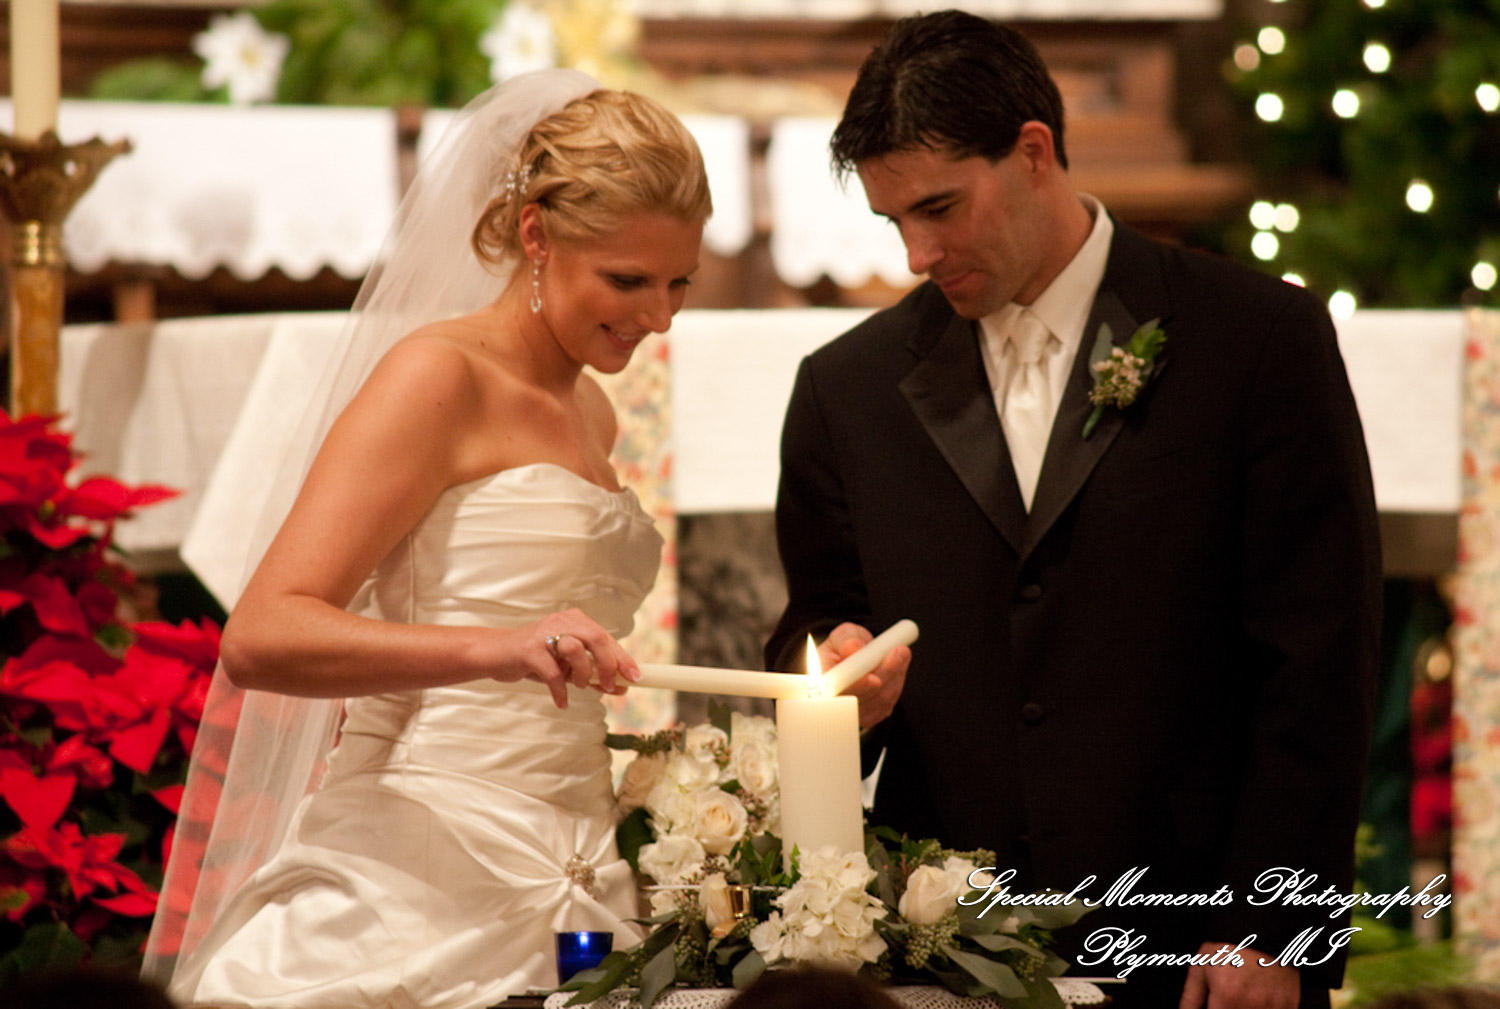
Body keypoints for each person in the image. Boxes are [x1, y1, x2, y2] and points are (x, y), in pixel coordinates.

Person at [764, 11, 1380, 1009]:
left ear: (1034, 152)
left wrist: (1272, 924)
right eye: (894, 223)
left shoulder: (1258, 339)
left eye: (941, 207)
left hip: (1197, 942)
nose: (919, 251)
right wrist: (842, 679)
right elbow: (815, 628)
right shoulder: (847, 389)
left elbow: (1318, 654)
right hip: (950, 949)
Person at [140, 69, 711, 1009]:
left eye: (679, 280)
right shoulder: (436, 377)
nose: (657, 314)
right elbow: (263, 632)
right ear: (536, 233)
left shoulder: (594, 412)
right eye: (627, 280)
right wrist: (496, 648)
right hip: (417, 846)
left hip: (574, 860)